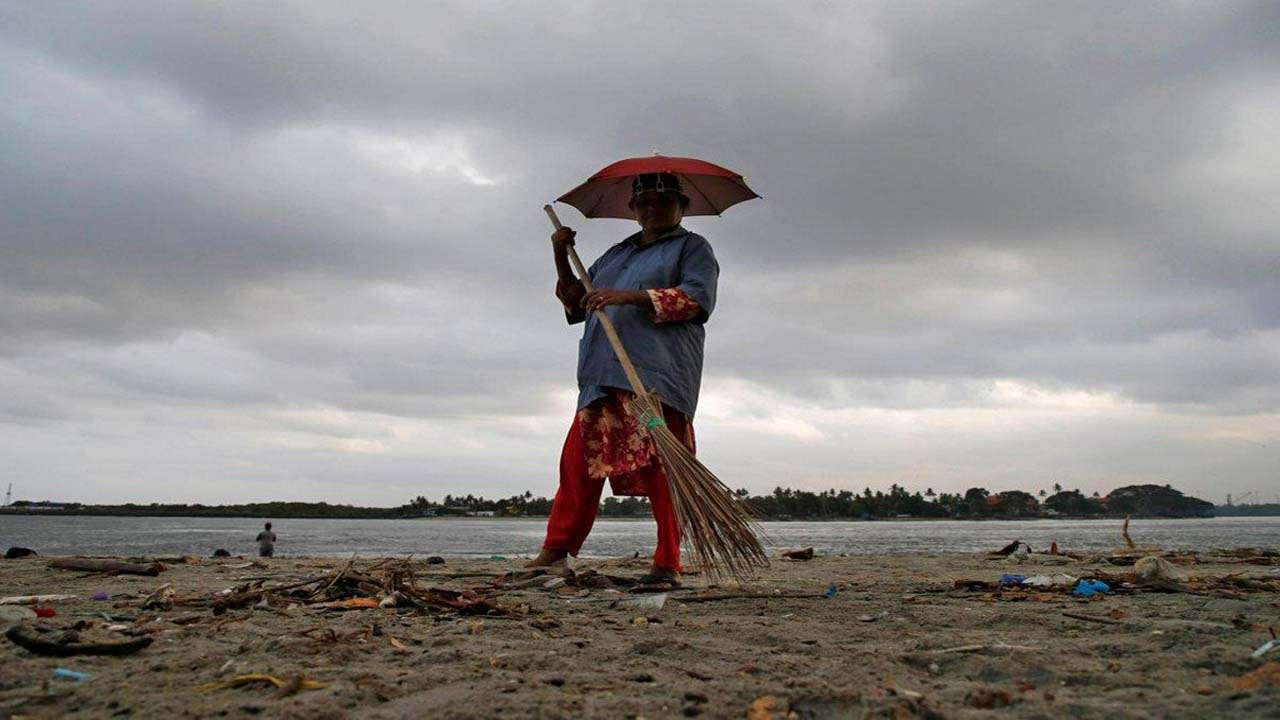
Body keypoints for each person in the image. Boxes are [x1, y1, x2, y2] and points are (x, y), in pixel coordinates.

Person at [528, 172, 719, 585]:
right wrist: (561, 255)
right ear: (632, 210)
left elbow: (695, 299)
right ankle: (555, 551)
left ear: (681, 206)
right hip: (602, 377)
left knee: (663, 468)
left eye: (663, 201)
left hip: (654, 381)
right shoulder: (617, 254)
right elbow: (576, 302)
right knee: (578, 464)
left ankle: (668, 560)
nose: (652, 209)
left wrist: (627, 297)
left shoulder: (692, 248)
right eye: (644, 202)